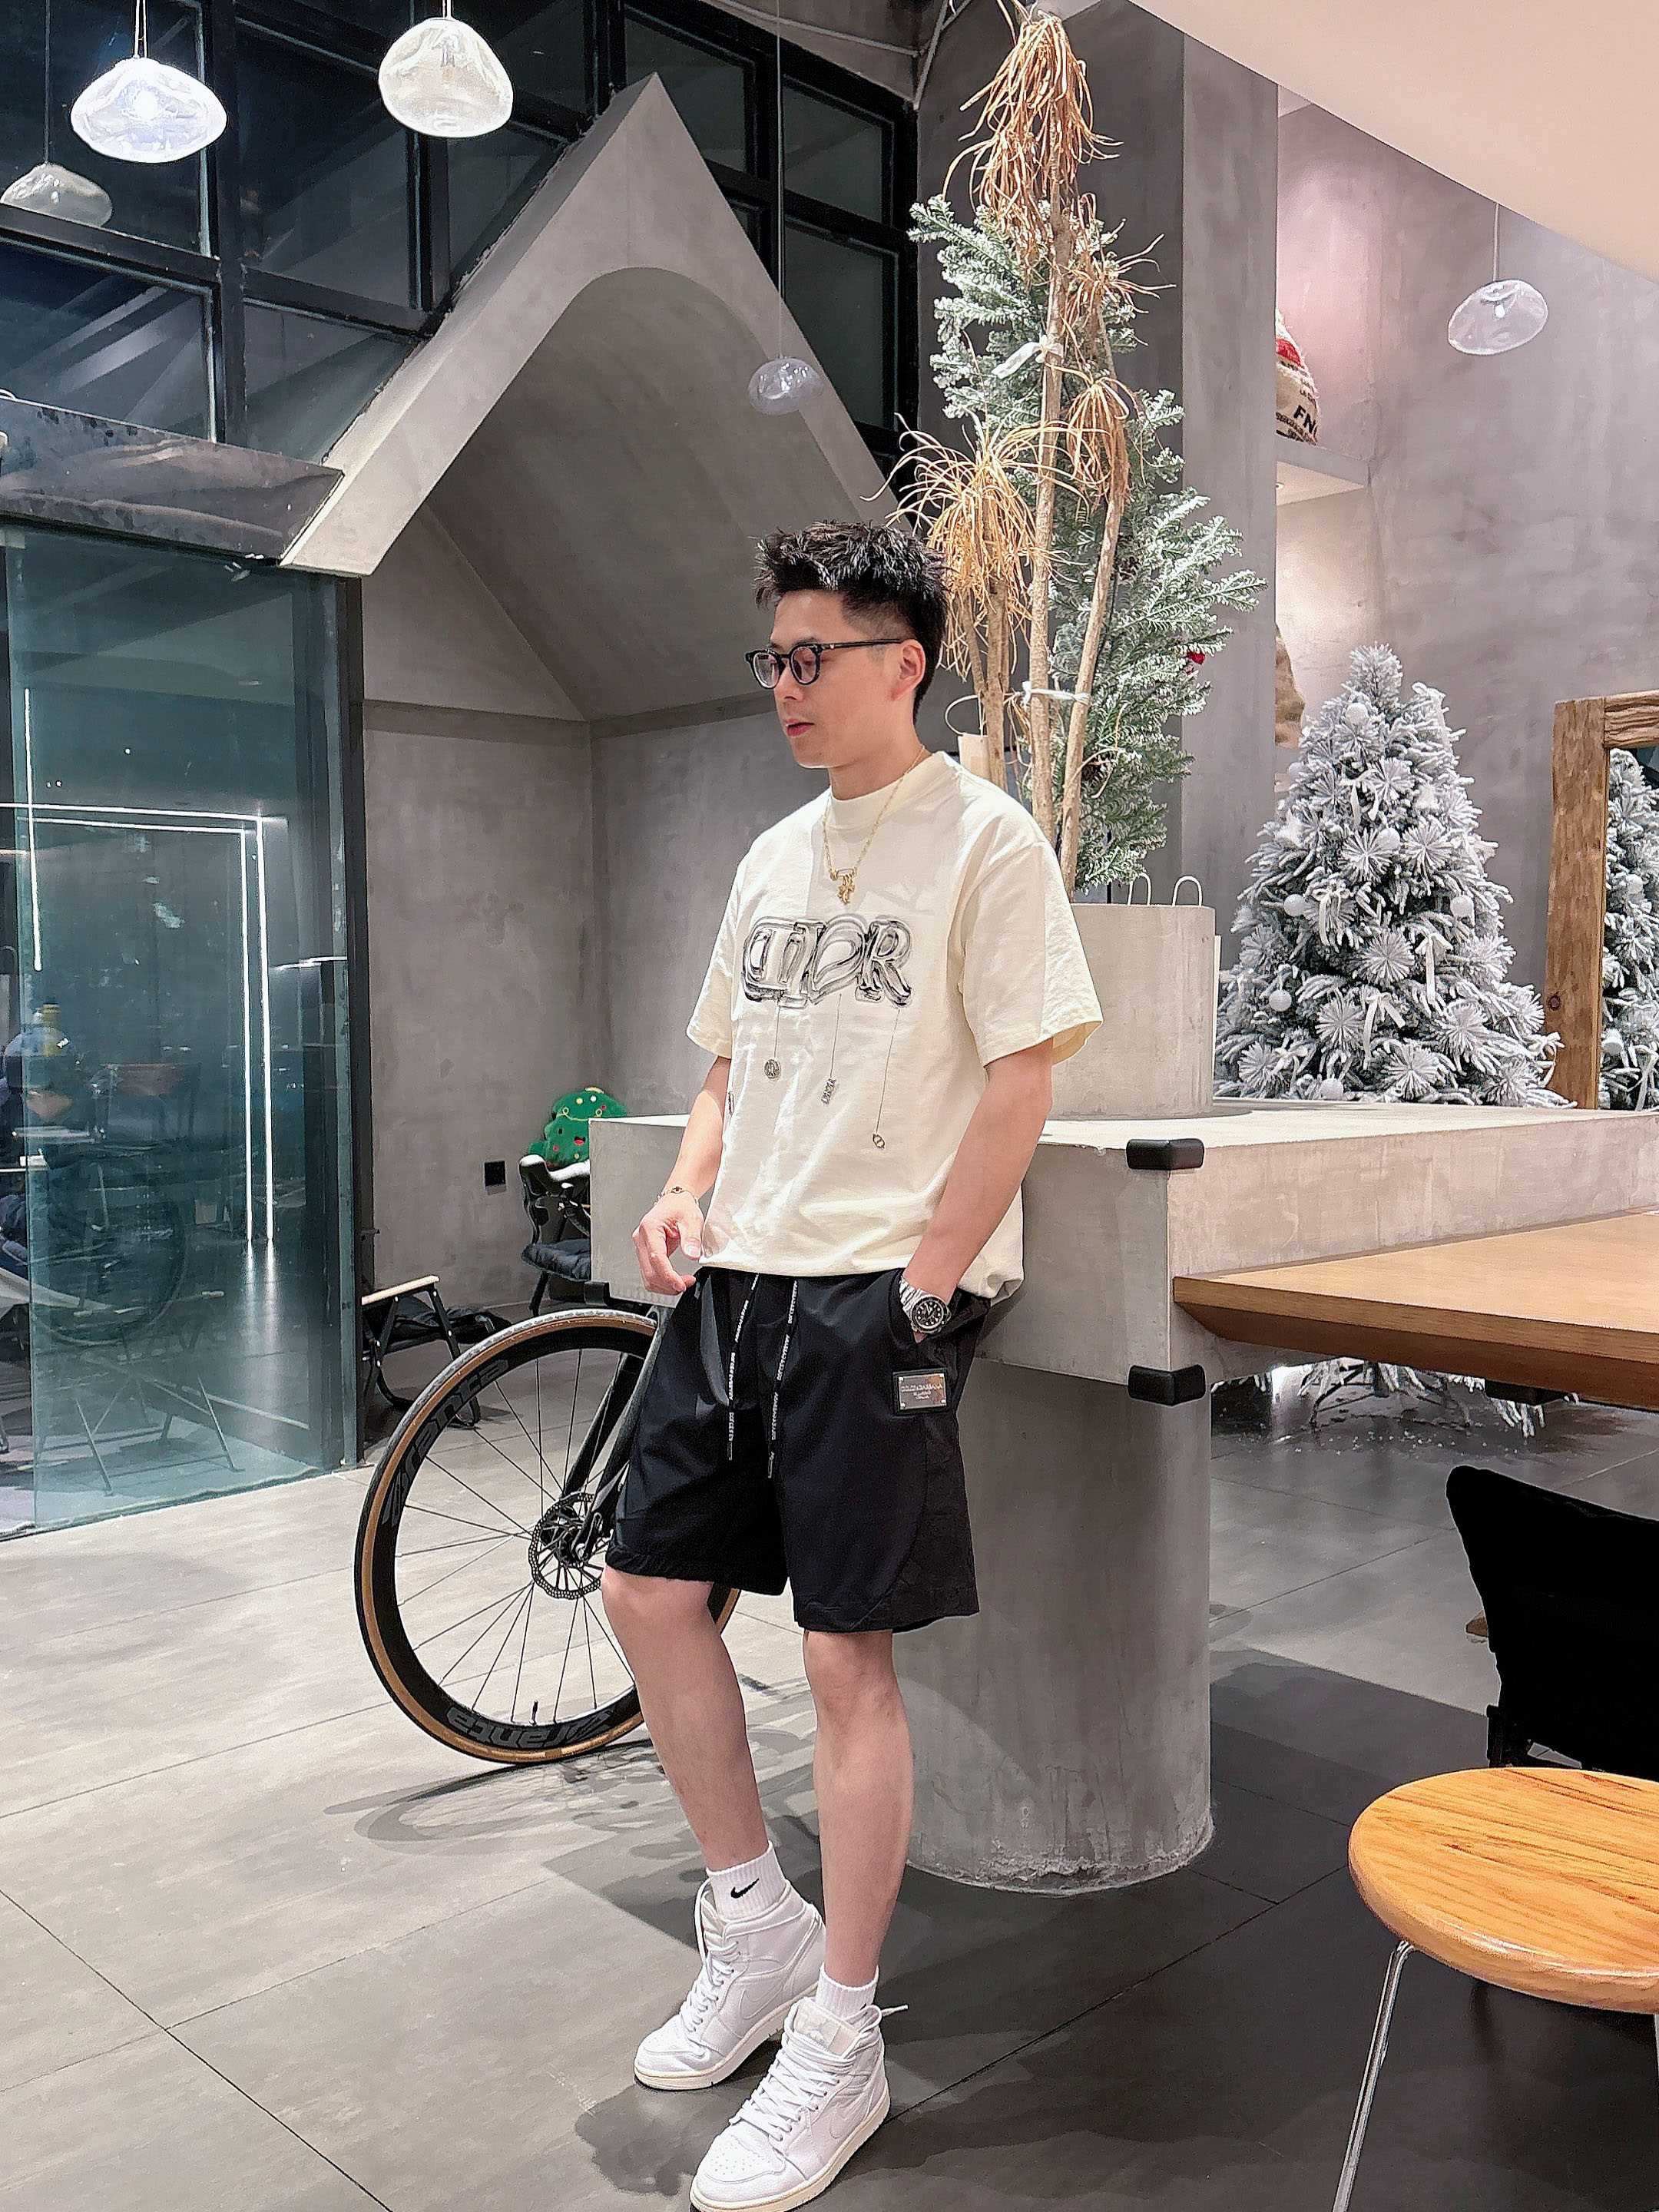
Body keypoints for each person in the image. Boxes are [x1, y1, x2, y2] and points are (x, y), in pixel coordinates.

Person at [601, 518, 1102, 2211]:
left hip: (870, 1295)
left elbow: (1023, 1078)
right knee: (645, 1589)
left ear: (907, 662)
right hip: (737, 1279)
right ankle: (752, 1922)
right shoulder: (769, 857)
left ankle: (840, 2030)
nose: (786, 686)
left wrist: (925, 1281)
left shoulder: (985, 841)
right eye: (775, 657)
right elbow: (726, 1070)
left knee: (841, 1657)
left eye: (815, 656)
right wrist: (685, 1187)